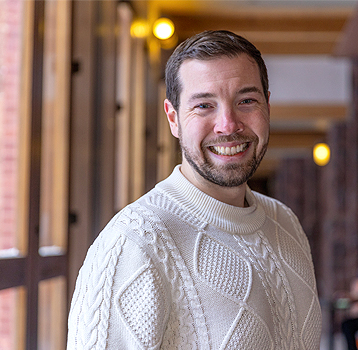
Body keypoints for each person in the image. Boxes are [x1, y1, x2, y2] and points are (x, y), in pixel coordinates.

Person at [67, 30, 322, 350]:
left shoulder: (286, 222)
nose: (228, 124)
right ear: (173, 119)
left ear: (267, 106)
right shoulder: (135, 242)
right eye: (204, 105)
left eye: (246, 101)